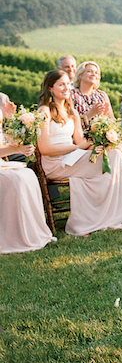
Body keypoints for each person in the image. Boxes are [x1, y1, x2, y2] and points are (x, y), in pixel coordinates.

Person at [37, 70, 122, 236]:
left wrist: (99, 140)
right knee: (112, 160)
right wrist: (77, 148)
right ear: (50, 88)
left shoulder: (72, 111)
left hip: (73, 158)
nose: (66, 88)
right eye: (61, 84)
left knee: (111, 154)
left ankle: (120, 210)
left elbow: (80, 141)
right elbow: (45, 149)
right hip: (55, 163)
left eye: (68, 84)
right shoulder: (44, 112)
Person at [1, 97, 56, 254]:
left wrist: (10, 117)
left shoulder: (1, 98)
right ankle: (12, 235)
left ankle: (32, 232)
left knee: (28, 175)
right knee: (16, 179)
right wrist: (15, 149)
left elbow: (6, 136)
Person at [71, 61, 115, 132]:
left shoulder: (102, 95)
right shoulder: (72, 95)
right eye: (89, 71)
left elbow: (112, 120)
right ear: (80, 75)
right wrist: (90, 114)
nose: (94, 74)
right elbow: (69, 124)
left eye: (96, 73)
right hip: (79, 137)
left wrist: (105, 116)